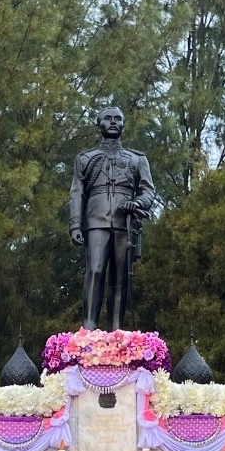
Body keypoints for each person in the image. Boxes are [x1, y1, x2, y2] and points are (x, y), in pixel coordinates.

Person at [69, 106, 155, 330]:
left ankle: (116, 330)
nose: (114, 122)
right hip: (95, 221)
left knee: (120, 278)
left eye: (118, 118)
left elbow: (148, 190)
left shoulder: (137, 160)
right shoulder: (85, 159)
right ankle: (89, 328)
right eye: (108, 118)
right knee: (95, 270)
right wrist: (75, 224)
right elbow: (77, 193)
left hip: (125, 223)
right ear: (99, 125)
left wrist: (137, 203)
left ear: (124, 124)